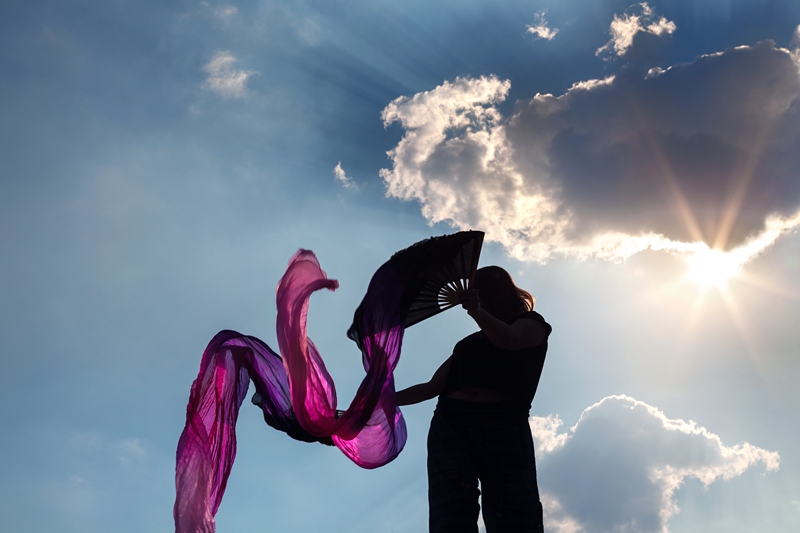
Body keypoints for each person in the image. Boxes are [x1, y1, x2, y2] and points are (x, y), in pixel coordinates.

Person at [396, 266, 551, 533]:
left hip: (504, 422)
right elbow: (431, 387)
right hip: (452, 420)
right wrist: (376, 402)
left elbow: (512, 340)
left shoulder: (533, 324)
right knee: (451, 509)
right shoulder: (469, 343)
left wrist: (477, 312)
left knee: (513, 510)